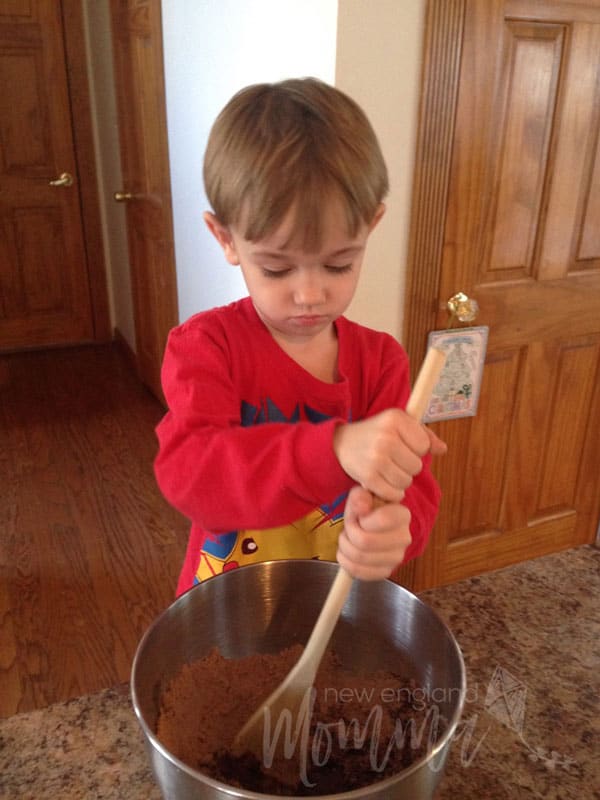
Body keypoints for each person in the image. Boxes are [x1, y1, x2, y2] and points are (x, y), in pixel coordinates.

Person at [154, 78, 446, 596]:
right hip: (225, 603)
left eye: (339, 263)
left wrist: (399, 529)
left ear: (371, 225)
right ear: (225, 239)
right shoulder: (205, 348)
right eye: (277, 269)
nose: (310, 295)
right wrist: (333, 449)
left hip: (332, 607)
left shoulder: (381, 362)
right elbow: (192, 476)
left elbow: (412, 487)